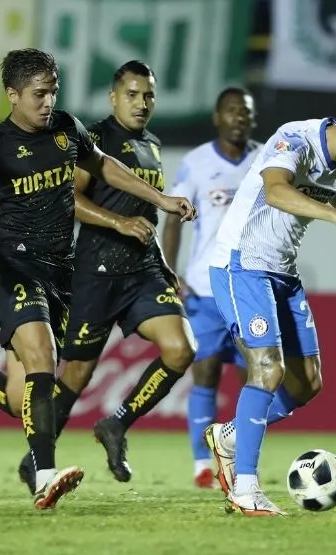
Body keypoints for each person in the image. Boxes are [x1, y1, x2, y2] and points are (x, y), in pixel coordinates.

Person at [0, 49, 196, 510]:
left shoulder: (67, 128)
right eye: (39, 94)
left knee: (20, 399)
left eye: (53, 92)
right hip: (16, 267)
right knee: (43, 357)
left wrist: (161, 200)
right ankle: (45, 475)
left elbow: (105, 166)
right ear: (13, 94)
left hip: (61, 273)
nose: (48, 102)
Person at [204, 96, 336, 516]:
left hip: (282, 270)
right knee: (267, 369)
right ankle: (245, 489)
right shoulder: (294, 140)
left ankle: (230, 436)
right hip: (241, 264)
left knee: (307, 382)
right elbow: (276, 191)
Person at [14, 60, 200, 490]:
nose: (141, 103)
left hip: (143, 271)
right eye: (132, 95)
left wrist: (164, 264)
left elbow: (145, 211)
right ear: (113, 97)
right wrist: (118, 223)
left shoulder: (152, 145)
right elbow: (68, 198)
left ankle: (116, 424)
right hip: (96, 273)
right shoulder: (95, 140)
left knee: (181, 349)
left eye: (149, 95)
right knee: (77, 375)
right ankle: (37, 457)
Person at [161, 86, 260, 489]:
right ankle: (202, 463)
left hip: (252, 287)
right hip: (206, 286)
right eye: (232, 110)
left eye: (246, 111)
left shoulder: (265, 160)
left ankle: (240, 457)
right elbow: (172, 217)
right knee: (205, 372)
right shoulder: (197, 163)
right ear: (217, 117)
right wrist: (170, 271)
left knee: (257, 376)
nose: (240, 117)